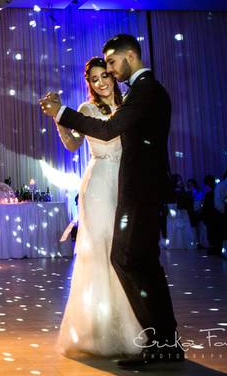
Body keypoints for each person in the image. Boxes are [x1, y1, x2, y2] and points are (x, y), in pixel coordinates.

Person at [41, 34, 182, 367]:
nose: (111, 73)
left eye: (113, 64)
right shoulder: (145, 91)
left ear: (129, 56)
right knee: (138, 261)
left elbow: (108, 131)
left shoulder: (144, 91)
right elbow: (92, 138)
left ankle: (159, 340)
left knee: (129, 260)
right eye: (101, 73)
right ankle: (163, 341)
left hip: (137, 189)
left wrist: (61, 111)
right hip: (125, 187)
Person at [50, 57, 141, 357]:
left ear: (115, 76)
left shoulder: (129, 104)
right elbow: (72, 145)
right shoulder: (86, 110)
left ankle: (134, 325)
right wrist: (59, 118)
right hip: (99, 184)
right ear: (88, 83)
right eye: (94, 79)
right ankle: (100, 330)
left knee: (126, 252)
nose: (101, 82)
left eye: (105, 76)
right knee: (101, 250)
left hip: (127, 179)